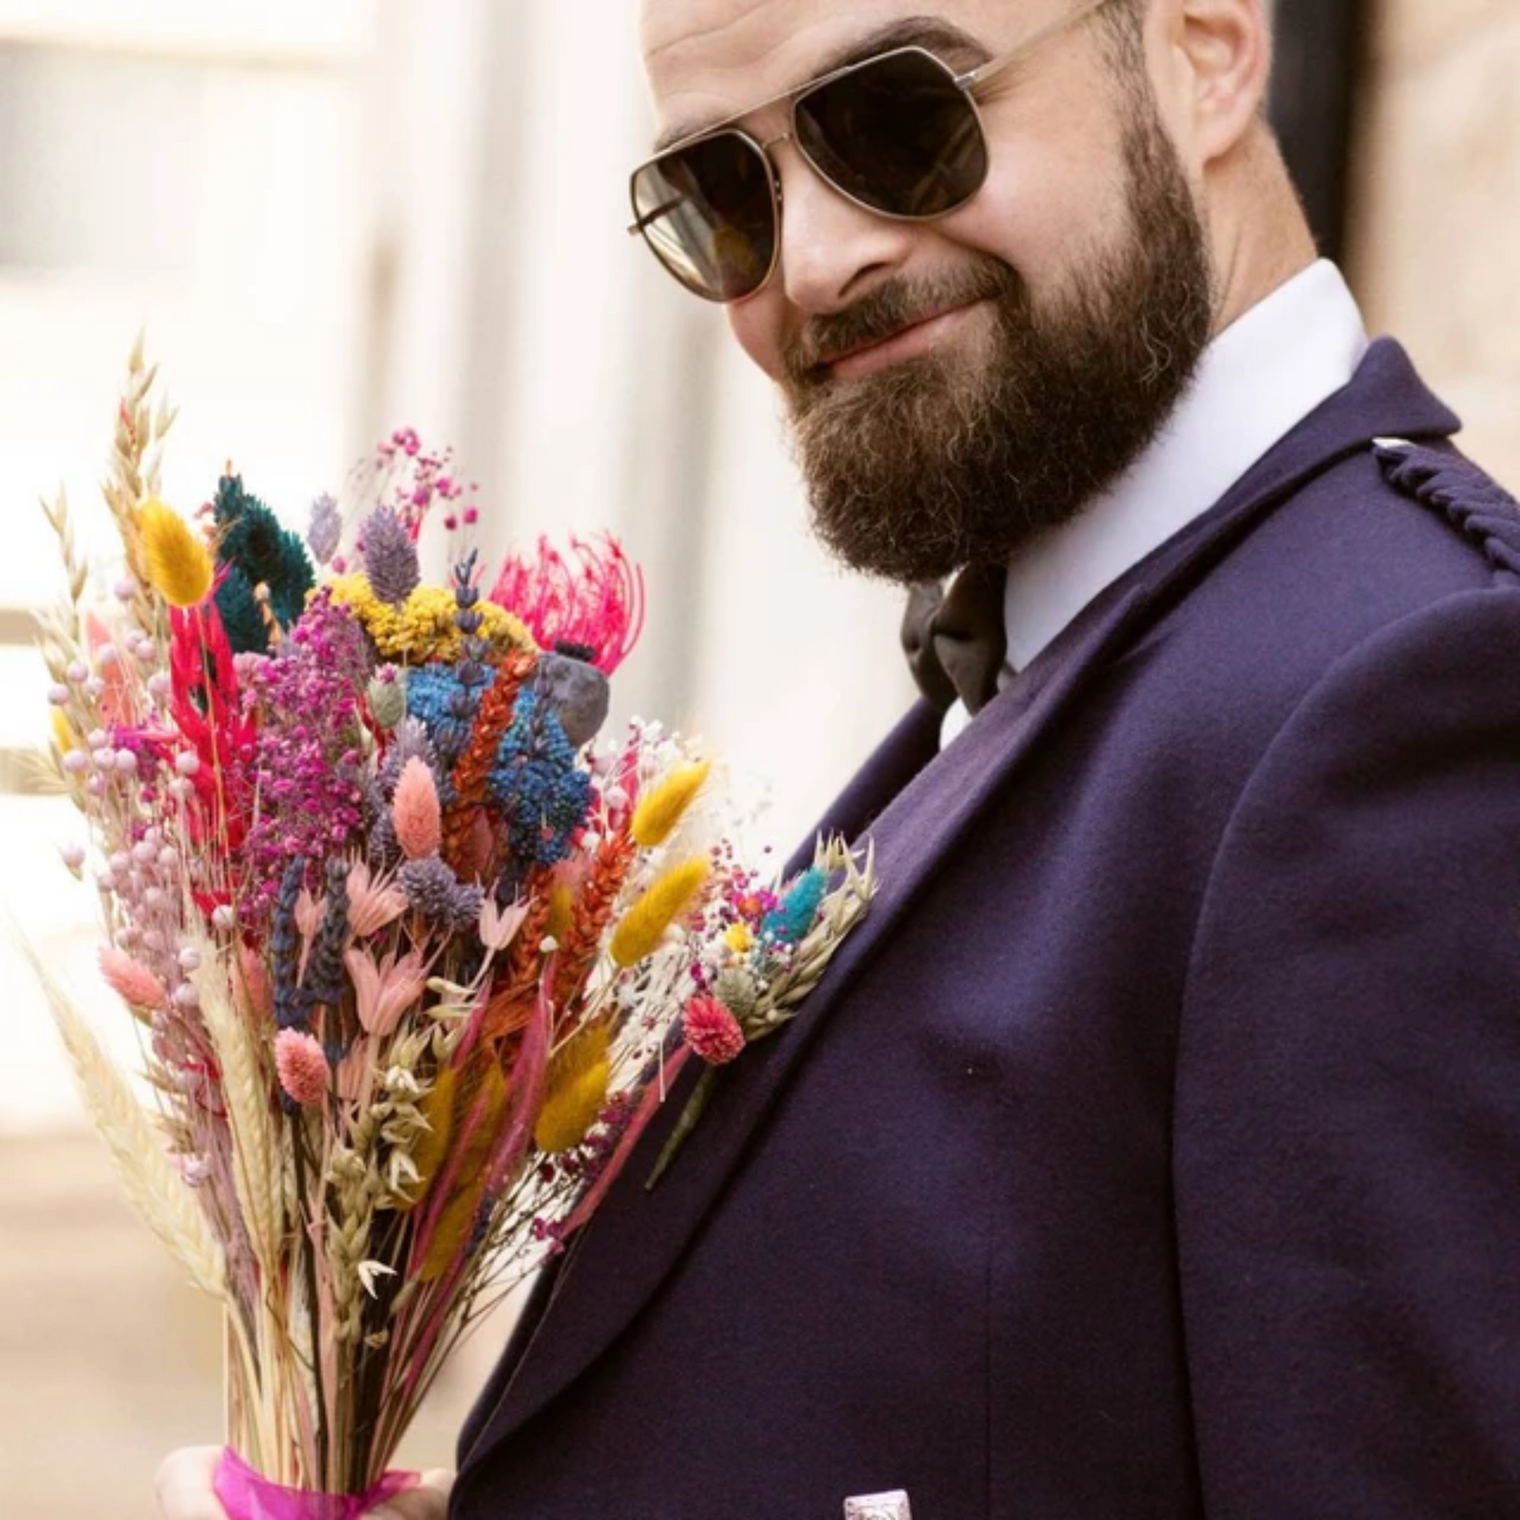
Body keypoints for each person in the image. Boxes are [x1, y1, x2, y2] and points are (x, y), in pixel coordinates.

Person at [162, 0, 1520, 1515]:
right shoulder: (1087, 649)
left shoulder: (1404, 705)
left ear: (1204, 48)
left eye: (897, 117)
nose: (810, 264)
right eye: (722, 194)